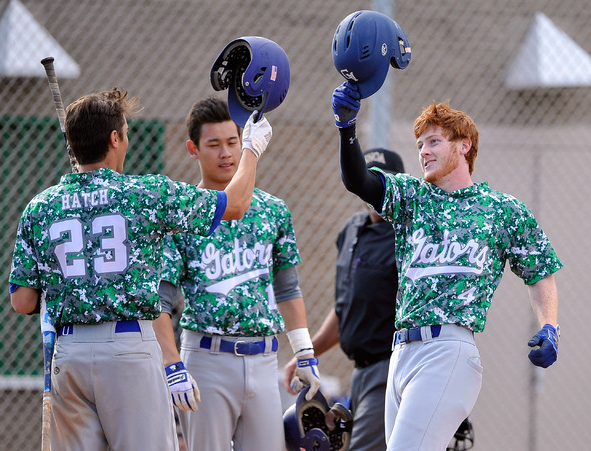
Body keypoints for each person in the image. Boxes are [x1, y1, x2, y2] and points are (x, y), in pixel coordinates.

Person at [9, 87, 272, 451]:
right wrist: (251, 149)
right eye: (127, 132)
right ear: (114, 138)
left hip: (67, 356)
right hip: (128, 350)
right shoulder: (145, 194)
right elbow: (236, 204)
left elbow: (22, 301)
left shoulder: (40, 206)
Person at [331, 82, 562, 450]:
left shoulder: (502, 209)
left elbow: (540, 273)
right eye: (420, 144)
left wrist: (550, 326)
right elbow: (357, 179)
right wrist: (347, 128)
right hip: (401, 354)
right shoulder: (411, 196)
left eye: (434, 141)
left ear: (464, 146)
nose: (423, 151)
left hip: (449, 351)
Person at [154, 97, 320, 451]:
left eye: (233, 142)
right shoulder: (184, 215)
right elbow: (161, 301)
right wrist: (171, 364)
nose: (226, 153)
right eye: (213, 144)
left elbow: (287, 288)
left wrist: (304, 350)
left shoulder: (272, 209)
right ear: (193, 149)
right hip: (206, 359)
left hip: (263, 359)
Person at [283, 147, 403, 451]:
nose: (376, 189)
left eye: (385, 181)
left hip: (389, 365)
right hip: (360, 372)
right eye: (371, 179)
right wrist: (308, 352)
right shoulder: (351, 230)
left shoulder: (406, 235)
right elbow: (345, 308)